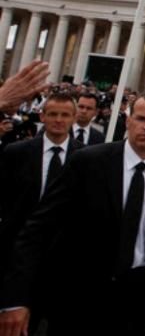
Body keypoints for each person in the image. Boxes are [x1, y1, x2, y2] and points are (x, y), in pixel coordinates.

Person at [0, 91, 145, 336]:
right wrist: (16, 298)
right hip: (82, 296)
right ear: (128, 120)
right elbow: (38, 228)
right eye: (140, 118)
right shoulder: (88, 162)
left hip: (136, 298)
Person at [0, 93, 83, 297]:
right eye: (53, 114)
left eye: (65, 115)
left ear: (73, 118)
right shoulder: (16, 152)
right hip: (16, 250)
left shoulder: (85, 157)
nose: (58, 120)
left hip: (61, 255)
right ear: (42, 116)